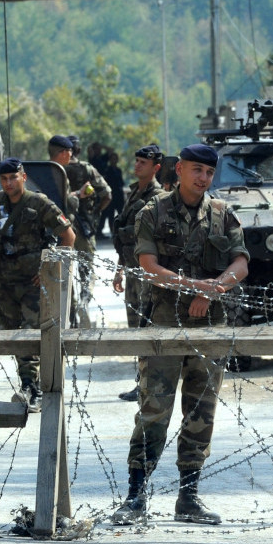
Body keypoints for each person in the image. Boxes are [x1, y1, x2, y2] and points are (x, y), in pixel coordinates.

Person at [111, 144, 249, 526]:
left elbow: (241, 261)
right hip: (163, 327)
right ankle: (135, 497)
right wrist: (193, 288)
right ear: (179, 170)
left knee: (200, 414)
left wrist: (215, 288)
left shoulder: (222, 215)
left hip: (210, 330)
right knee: (154, 411)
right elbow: (148, 264)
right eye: (196, 170)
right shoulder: (151, 213)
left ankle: (188, 498)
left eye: (208, 172)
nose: (202, 178)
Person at [0, 158, 75, 412]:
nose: (9, 183)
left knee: (31, 332)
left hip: (33, 283)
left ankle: (33, 387)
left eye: (13, 178)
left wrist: (48, 270)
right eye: (4, 179)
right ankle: (30, 383)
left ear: (23, 177)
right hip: (5, 283)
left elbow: (68, 237)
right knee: (15, 335)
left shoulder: (39, 203)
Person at [111, 145, 163, 402]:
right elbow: (125, 237)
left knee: (146, 325)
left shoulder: (159, 197)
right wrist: (119, 269)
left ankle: (148, 382)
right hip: (132, 270)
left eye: (144, 163)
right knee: (135, 326)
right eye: (137, 161)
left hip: (148, 274)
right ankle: (141, 381)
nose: (138, 166)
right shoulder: (135, 193)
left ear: (156, 168)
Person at [48, 134, 110, 325]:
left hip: (60, 228)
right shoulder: (86, 169)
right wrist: (95, 213)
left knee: (64, 270)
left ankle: (72, 313)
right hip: (84, 227)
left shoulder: (51, 170)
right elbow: (107, 194)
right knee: (87, 269)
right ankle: (84, 301)